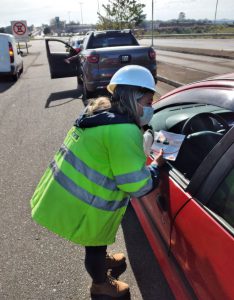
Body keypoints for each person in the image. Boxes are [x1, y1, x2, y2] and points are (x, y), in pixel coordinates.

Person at [30, 65, 164, 299]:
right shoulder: (123, 131)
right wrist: (156, 168)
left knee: (95, 244)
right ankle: (101, 284)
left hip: (64, 192)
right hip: (87, 204)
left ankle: (101, 261)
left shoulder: (98, 112)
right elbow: (136, 185)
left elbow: (105, 152)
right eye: (148, 101)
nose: (151, 107)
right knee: (95, 243)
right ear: (133, 99)